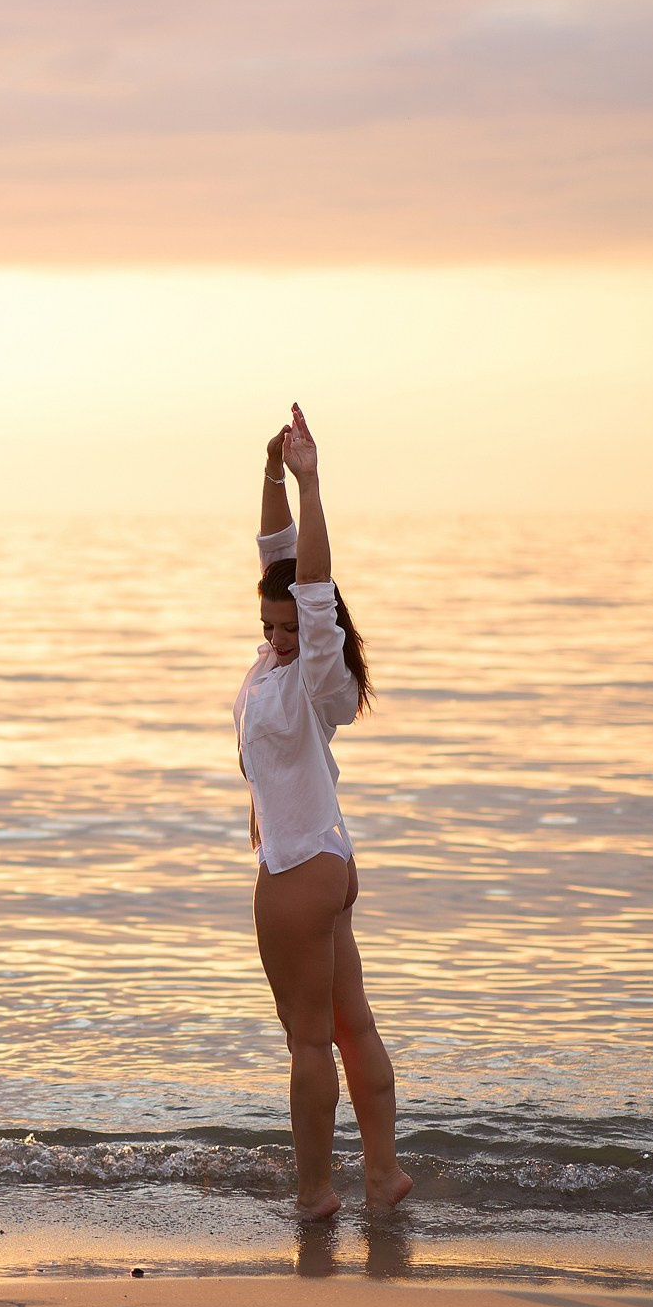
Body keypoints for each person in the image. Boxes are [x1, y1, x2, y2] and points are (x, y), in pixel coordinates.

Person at [234, 403, 411, 1220]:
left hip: (299, 872)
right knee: (349, 1026)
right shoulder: (278, 662)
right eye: (265, 624)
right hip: (326, 862)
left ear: (318, 627)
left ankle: (315, 1194)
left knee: (310, 1041)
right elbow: (281, 562)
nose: (275, 635)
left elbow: (310, 585)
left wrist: (312, 479)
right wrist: (272, 472)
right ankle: (384, 1175)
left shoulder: (317, 679)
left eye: (289, 626)